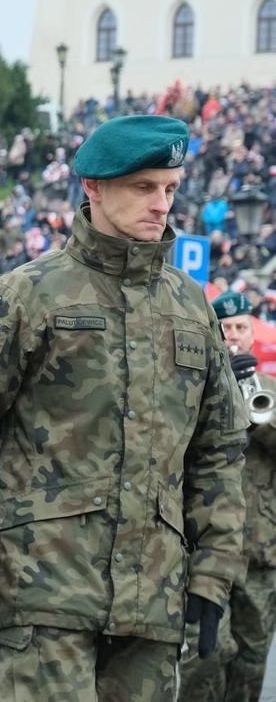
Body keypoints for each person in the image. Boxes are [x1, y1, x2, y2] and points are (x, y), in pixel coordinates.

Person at [0, 115, 247, 701]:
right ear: (93, 188)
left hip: (152, 600)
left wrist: (213, 574)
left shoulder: (191, 307)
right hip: (42, 591)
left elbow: (219, 449)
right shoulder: (28, 294)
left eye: (169, 189)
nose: (161, 205)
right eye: (143, 187)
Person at [178, 291, 276, 701]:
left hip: (260, 548)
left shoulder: (270, 389)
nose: (233, 336)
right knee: (207, 653)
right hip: (206, 547)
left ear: (251, 333)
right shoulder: (193, 383)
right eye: (226, 328)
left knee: (251, 659)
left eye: (240, 328)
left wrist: (261, 421)